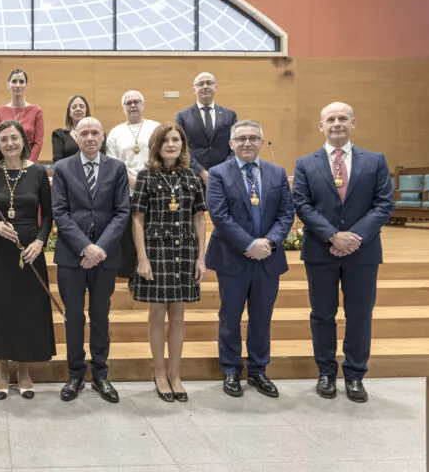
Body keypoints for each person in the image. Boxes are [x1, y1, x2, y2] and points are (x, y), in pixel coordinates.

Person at [292, 102, 393, 403]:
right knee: (322, 314)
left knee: (360, 314)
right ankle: (325, 372)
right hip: (320, 251)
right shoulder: (305, 164)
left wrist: (354, 237)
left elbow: (383, 204)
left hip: (363, 252)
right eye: (331, 119)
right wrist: (333, 236)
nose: (337, 123)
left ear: (353, 123)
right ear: (321, 126)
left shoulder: (375, 161)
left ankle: (355, 374)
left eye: (343, 118)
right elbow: (302, 204)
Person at [205, 120, 294, 398]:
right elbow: (219, 215)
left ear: (261, 142)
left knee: (262, 317)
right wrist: (249, 243)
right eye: (241, 138)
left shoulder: (277, 173)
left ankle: (258, 371)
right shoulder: (218, 173)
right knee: (230, 316)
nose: (247, 143)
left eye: (253, 138)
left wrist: (268, 243)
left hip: (267, 258)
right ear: (231, 144)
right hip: (233, 257)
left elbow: (286, 214)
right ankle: (231, 370)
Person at [52, 117, 130, 403]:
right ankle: (75, 374)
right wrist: (85, 248)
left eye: (95, 132)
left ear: (103, 136)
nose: (89, 137)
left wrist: (99, 249)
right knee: (74, 317)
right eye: (83, 133)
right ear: (75, 136)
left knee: (100, 316)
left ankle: (100, 374)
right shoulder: (62, 168)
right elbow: (60, 212)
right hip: (71, 257)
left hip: (105, 258)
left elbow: (122, 212)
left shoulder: (117, 168)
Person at [0, 121, 55, 400]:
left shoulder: (38, 172)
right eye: (4, 139)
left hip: (30, 252)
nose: (9, 143)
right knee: (1, 311)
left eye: (14, 138)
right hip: (0, 253)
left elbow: (48, 215)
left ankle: (24, 372)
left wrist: (39, 242)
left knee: (27, 312)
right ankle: (2, 371)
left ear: (23, 140)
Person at [130, 122, 206, 403]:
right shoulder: (145, 177)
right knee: (157, 314)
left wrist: (201, 257)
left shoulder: (193, 177)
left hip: (184, 251)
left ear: (182, 144)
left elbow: (199, 218)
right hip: (156, 251)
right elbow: (137, 219)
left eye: (176, 140)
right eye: (165, 140)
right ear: (156, 146)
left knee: (178, 316)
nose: (171, 145)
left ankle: (175, 375)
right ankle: (160, 374)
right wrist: (142, 258)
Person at [105, 90, 160, 281]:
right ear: (123, 107)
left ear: (143, 105)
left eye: (136, 102)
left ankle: (154, 270)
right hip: (126, 189)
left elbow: (162, 155)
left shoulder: (155, 127)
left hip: (154, 188)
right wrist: (135, 182)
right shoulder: (115, 132)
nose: (133, 105)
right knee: (130, 234)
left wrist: (147, 182)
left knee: (152, 230)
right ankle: (133, 275)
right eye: (128, 103)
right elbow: (114, 163)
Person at [174, 72, 237, 186]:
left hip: (225, 176)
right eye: (201, 84)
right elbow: (181, 147)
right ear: (194, 90)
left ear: (215, 87)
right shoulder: (182, 116)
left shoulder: (230, 115)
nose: (205, 86)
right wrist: (201, 172)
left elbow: (235, 145)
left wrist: (222, 170)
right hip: (192, 177)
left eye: (209, 83)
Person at [0, 69, 44, 163]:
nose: (18, 85)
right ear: (8, 85)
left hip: (29, 163)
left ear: (26, 86)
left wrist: (27, 164)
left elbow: (38, 142)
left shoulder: (36, 111)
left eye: (21, 82)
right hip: (5, 163)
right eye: (14, 81)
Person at [51, 95, 105, 164]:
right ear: (69, 113)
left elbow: (103, 158)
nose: (78, 109)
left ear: (86, 111)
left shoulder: (98, 133)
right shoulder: (59, 134)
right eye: (74, 107)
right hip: (67, 170)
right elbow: (58, 161)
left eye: (81, 106)